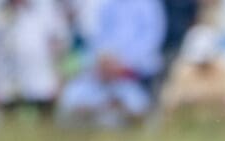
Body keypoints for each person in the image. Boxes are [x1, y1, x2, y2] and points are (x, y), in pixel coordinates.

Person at [57, 0, 166, 128]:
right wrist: (106, 60)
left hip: (135, 71)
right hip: (104, 67)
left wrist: (123, 63)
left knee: (135, 104)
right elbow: (99, 38)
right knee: (73, 97)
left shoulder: (149, 5)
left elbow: (152, 40)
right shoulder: (107, 5)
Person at [0, 0, 71, 120]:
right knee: (11, 126)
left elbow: (60, 47)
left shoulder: (46, 10)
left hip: (42, 85)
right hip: (8, 88)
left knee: (45, 125)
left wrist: (60, 80)